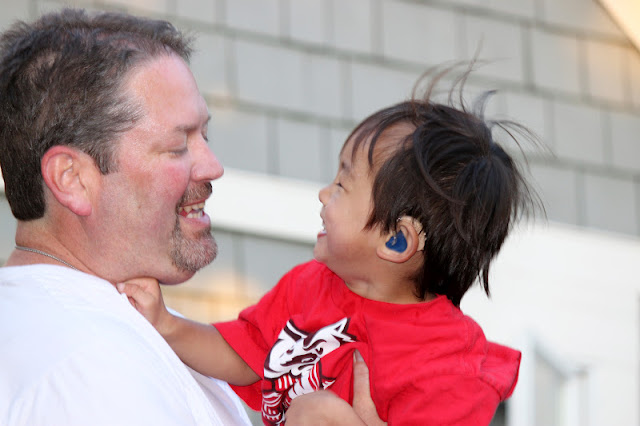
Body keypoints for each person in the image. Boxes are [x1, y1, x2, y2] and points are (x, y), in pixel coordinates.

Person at [119, 66, 539, 425]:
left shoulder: (447, 365)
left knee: (317, 412)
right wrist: (166, 325)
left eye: (342, 184)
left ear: (396, 240)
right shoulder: (311, 285)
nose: (324, 193)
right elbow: (245, 353)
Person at [0, 8, 253, 425]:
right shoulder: (87, 367)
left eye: (204, 136)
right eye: (177, 147)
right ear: (71, 179)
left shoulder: (116, 330)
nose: (213, 166)